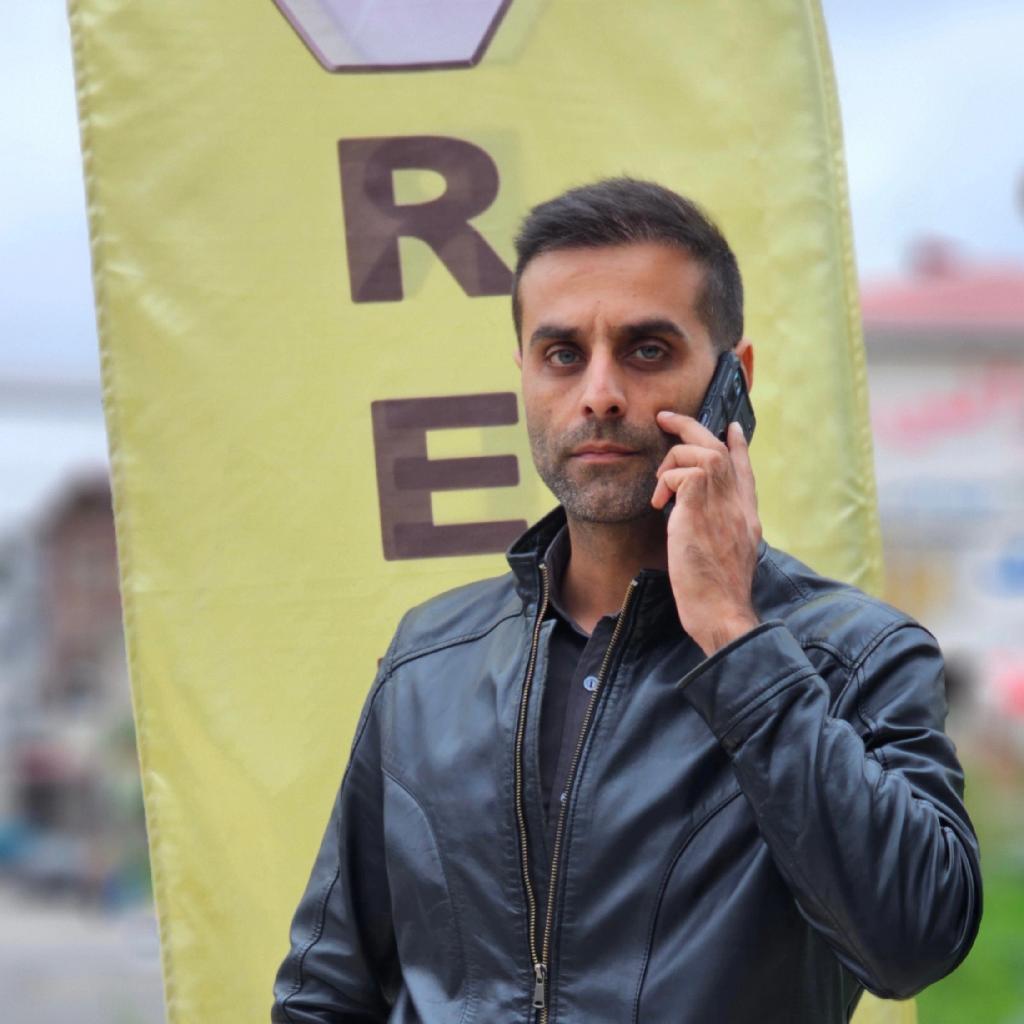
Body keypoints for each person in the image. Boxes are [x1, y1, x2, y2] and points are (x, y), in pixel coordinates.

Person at [271, 178, 981, 1023]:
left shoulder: (855, 656)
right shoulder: (429, 659)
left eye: (646, 350)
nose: (600, 393)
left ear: (735, 378)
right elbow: (326, 991)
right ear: (525, 375)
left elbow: (913, 941)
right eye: (562, 354)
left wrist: (733, 635)